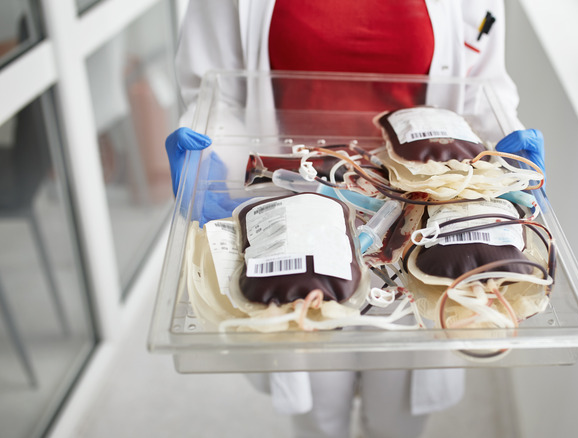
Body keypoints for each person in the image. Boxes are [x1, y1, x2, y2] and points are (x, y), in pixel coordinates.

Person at [165, 2, 544, 437]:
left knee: (399, 415)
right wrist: (209, 159)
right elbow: (218, 93)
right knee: (317, 408)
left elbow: (477, 92)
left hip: (421, 218)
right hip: (295, 212)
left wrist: (507, 157)